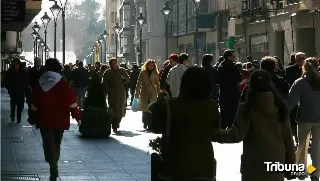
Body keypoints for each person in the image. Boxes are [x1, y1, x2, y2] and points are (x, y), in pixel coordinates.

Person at [213, 69, 295, 181]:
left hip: (253, 165)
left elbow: (235, 135)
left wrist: (212, 132)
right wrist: (291, 169)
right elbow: (289, 141)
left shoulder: (247, 108)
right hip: (276, 164)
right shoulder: (280, 108)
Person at [149, 67, 220, 181]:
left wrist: (159, 103)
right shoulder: (211, 106)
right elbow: (216, 131)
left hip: (175, 165)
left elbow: (156, 127)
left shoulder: (171, 105)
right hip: (204, 165)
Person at [30, 58, 81, 180]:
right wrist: (78, 117)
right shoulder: (63, 84)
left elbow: (34, 103)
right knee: (57, 141)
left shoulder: (40, 83)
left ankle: (52, 162)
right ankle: (55, 160)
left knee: (48, 141)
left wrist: (32, 115)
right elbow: (72, 102)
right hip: (60, 119)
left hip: (44, 119)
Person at [287, 57, 320, 181]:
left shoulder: (300, 82)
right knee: (317, 147)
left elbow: (291, 101)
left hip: (305, 118)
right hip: (319, 119)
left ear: (303, 68)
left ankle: (302, 172)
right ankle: (315, 173)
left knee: (302, 146)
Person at [102, 58, 130, 132]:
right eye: (113, 63)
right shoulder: (107, 72)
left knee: (121, 110)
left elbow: (128, 79)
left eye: (115, 63)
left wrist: (124, 78)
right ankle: (114, 124)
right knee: (113, 109)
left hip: (121, 93)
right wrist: (109, 91)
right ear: (110, 64)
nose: (114, 65)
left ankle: (117, 121)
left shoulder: (122, 70)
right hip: (112, 94)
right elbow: (104, 83)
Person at [217, 50, 242, 129]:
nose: (234, 58)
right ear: (228, 57)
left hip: (223, 92)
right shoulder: (232, 66)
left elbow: (218, 79)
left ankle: (223, 126)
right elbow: (238, 77)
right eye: (233, 56)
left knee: (224, 111)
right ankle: (231, 126)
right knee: (233, 111)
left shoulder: (220, 66)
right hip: (232, 92)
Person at [135, 59, 160, 130]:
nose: (151, 66)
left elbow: (158, 84)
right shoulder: (143, 73)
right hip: (144, 92)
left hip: (153, 93)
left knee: (151, 108)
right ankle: (145, 122)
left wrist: (159, 93)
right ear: (146, 65)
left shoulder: (155, 73)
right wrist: (136, 93)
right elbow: (138, 83)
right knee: (145, 109)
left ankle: (150, 124)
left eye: (152, 65)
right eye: (149, 65)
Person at [3, 58, 29, 123]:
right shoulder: (10, 72)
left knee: (20, 106)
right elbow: (6, 81)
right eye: (14, 64)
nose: (15, 65)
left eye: (16, 64)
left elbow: (27, 81)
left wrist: (24, 89)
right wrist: (9, 88)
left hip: (20, 91)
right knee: (13, 104)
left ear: (19, 64)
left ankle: (18, 117)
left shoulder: (23, 72)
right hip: (13, 91)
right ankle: (12, 115)